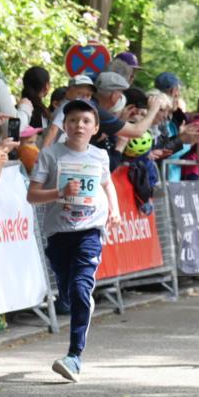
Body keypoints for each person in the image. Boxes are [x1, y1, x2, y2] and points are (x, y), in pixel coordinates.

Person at [28, 100, 121, 382]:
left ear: (94, 128)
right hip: (58, 233)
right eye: (72, 121)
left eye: (85, 121)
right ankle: (79, 301)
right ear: (64, 125)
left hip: (90, 231)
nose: (78, 126)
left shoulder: (100, 156)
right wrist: (60, 192)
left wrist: (114, 210)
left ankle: (74, 356)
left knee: (81, 288)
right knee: (69, 294)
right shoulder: (50, 155)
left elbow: (107, 183)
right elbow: (32, 195)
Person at [91, 71, 162, 172]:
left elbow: (94, 138)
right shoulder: (98, 112)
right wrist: (153, 110)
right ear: (114, 96)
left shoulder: (91, 106)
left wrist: (121, 121)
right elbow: (138, 131)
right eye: (120, 94)